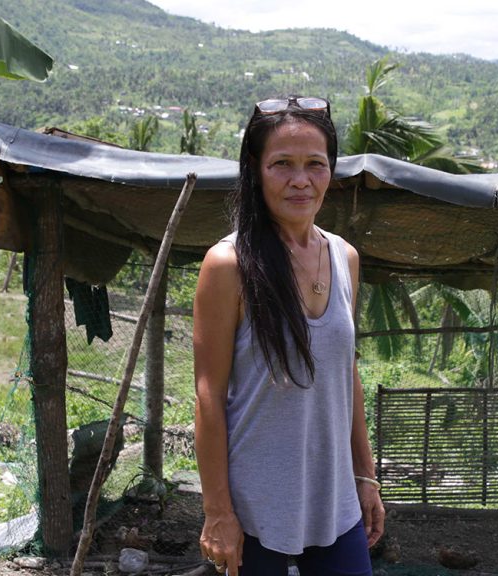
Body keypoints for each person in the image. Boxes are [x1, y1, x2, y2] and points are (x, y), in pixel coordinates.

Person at [192, 95, 385, 576]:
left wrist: (366, 475)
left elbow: (347, 374)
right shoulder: (229, 265)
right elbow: (208, 394)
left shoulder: (345, 258)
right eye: (282, 164)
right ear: (255, 170)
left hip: (333, 501)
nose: (300, 180)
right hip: (256, 509)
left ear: (331, 172)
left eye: (314, 165)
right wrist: (218, 512)